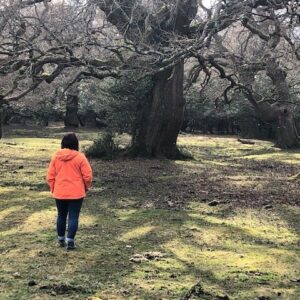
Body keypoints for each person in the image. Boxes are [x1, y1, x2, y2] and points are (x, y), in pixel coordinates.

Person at [46, 133, 93, 250]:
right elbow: (88, 176)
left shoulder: (56, 156)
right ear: (76, 144)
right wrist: (85, 187)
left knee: (61, 215)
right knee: (73, 217)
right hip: (76, 193)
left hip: (60, 192)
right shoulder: (80, 157)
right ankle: (70, 242)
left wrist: (53, 188)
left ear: (63, 143)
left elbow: (50, 176)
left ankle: (61, 240)